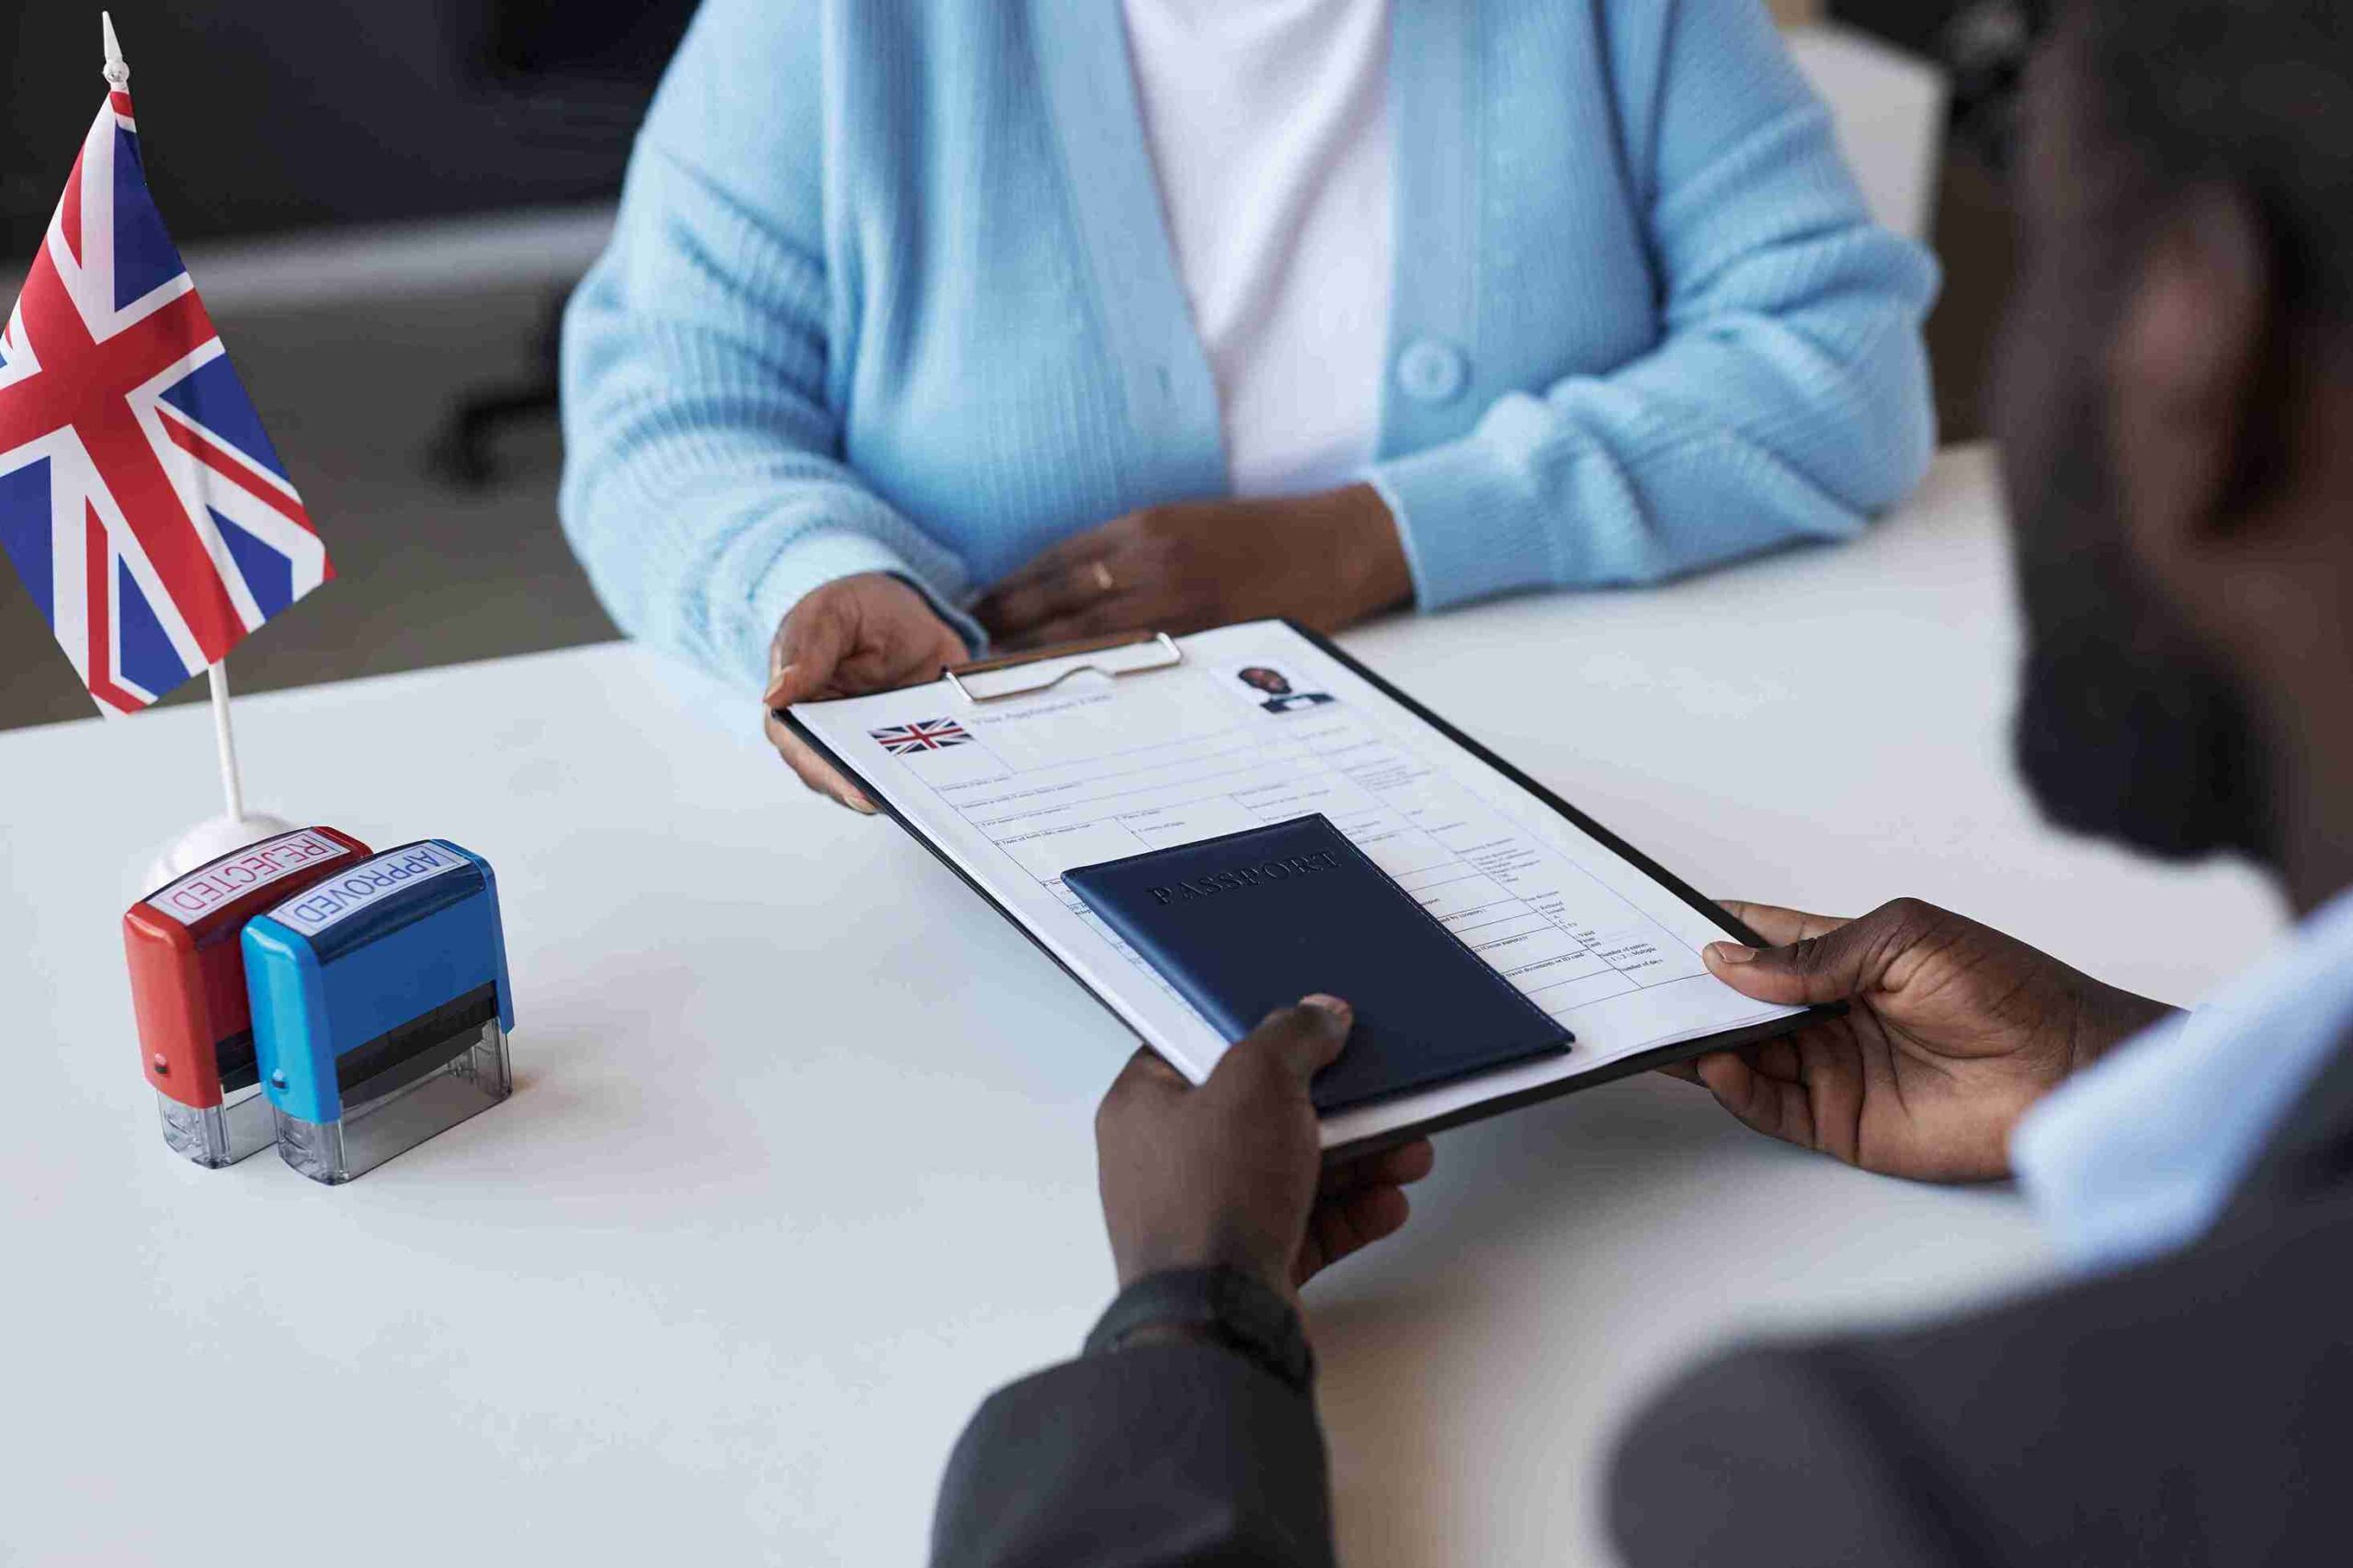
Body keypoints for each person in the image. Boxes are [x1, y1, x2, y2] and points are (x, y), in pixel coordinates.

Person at [927, 1, 2353, 1561]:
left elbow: (1832, 364)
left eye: (2048, 239)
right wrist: (2142, 1079)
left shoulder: (1890, 1491)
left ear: (2194, 350)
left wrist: (1189, 1311)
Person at [557, 0, 1938, 812]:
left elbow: (1839, 362)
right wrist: (813, 574)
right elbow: (665, 413)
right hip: (1012, 828)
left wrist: (1371, 539)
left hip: (1605, 784)